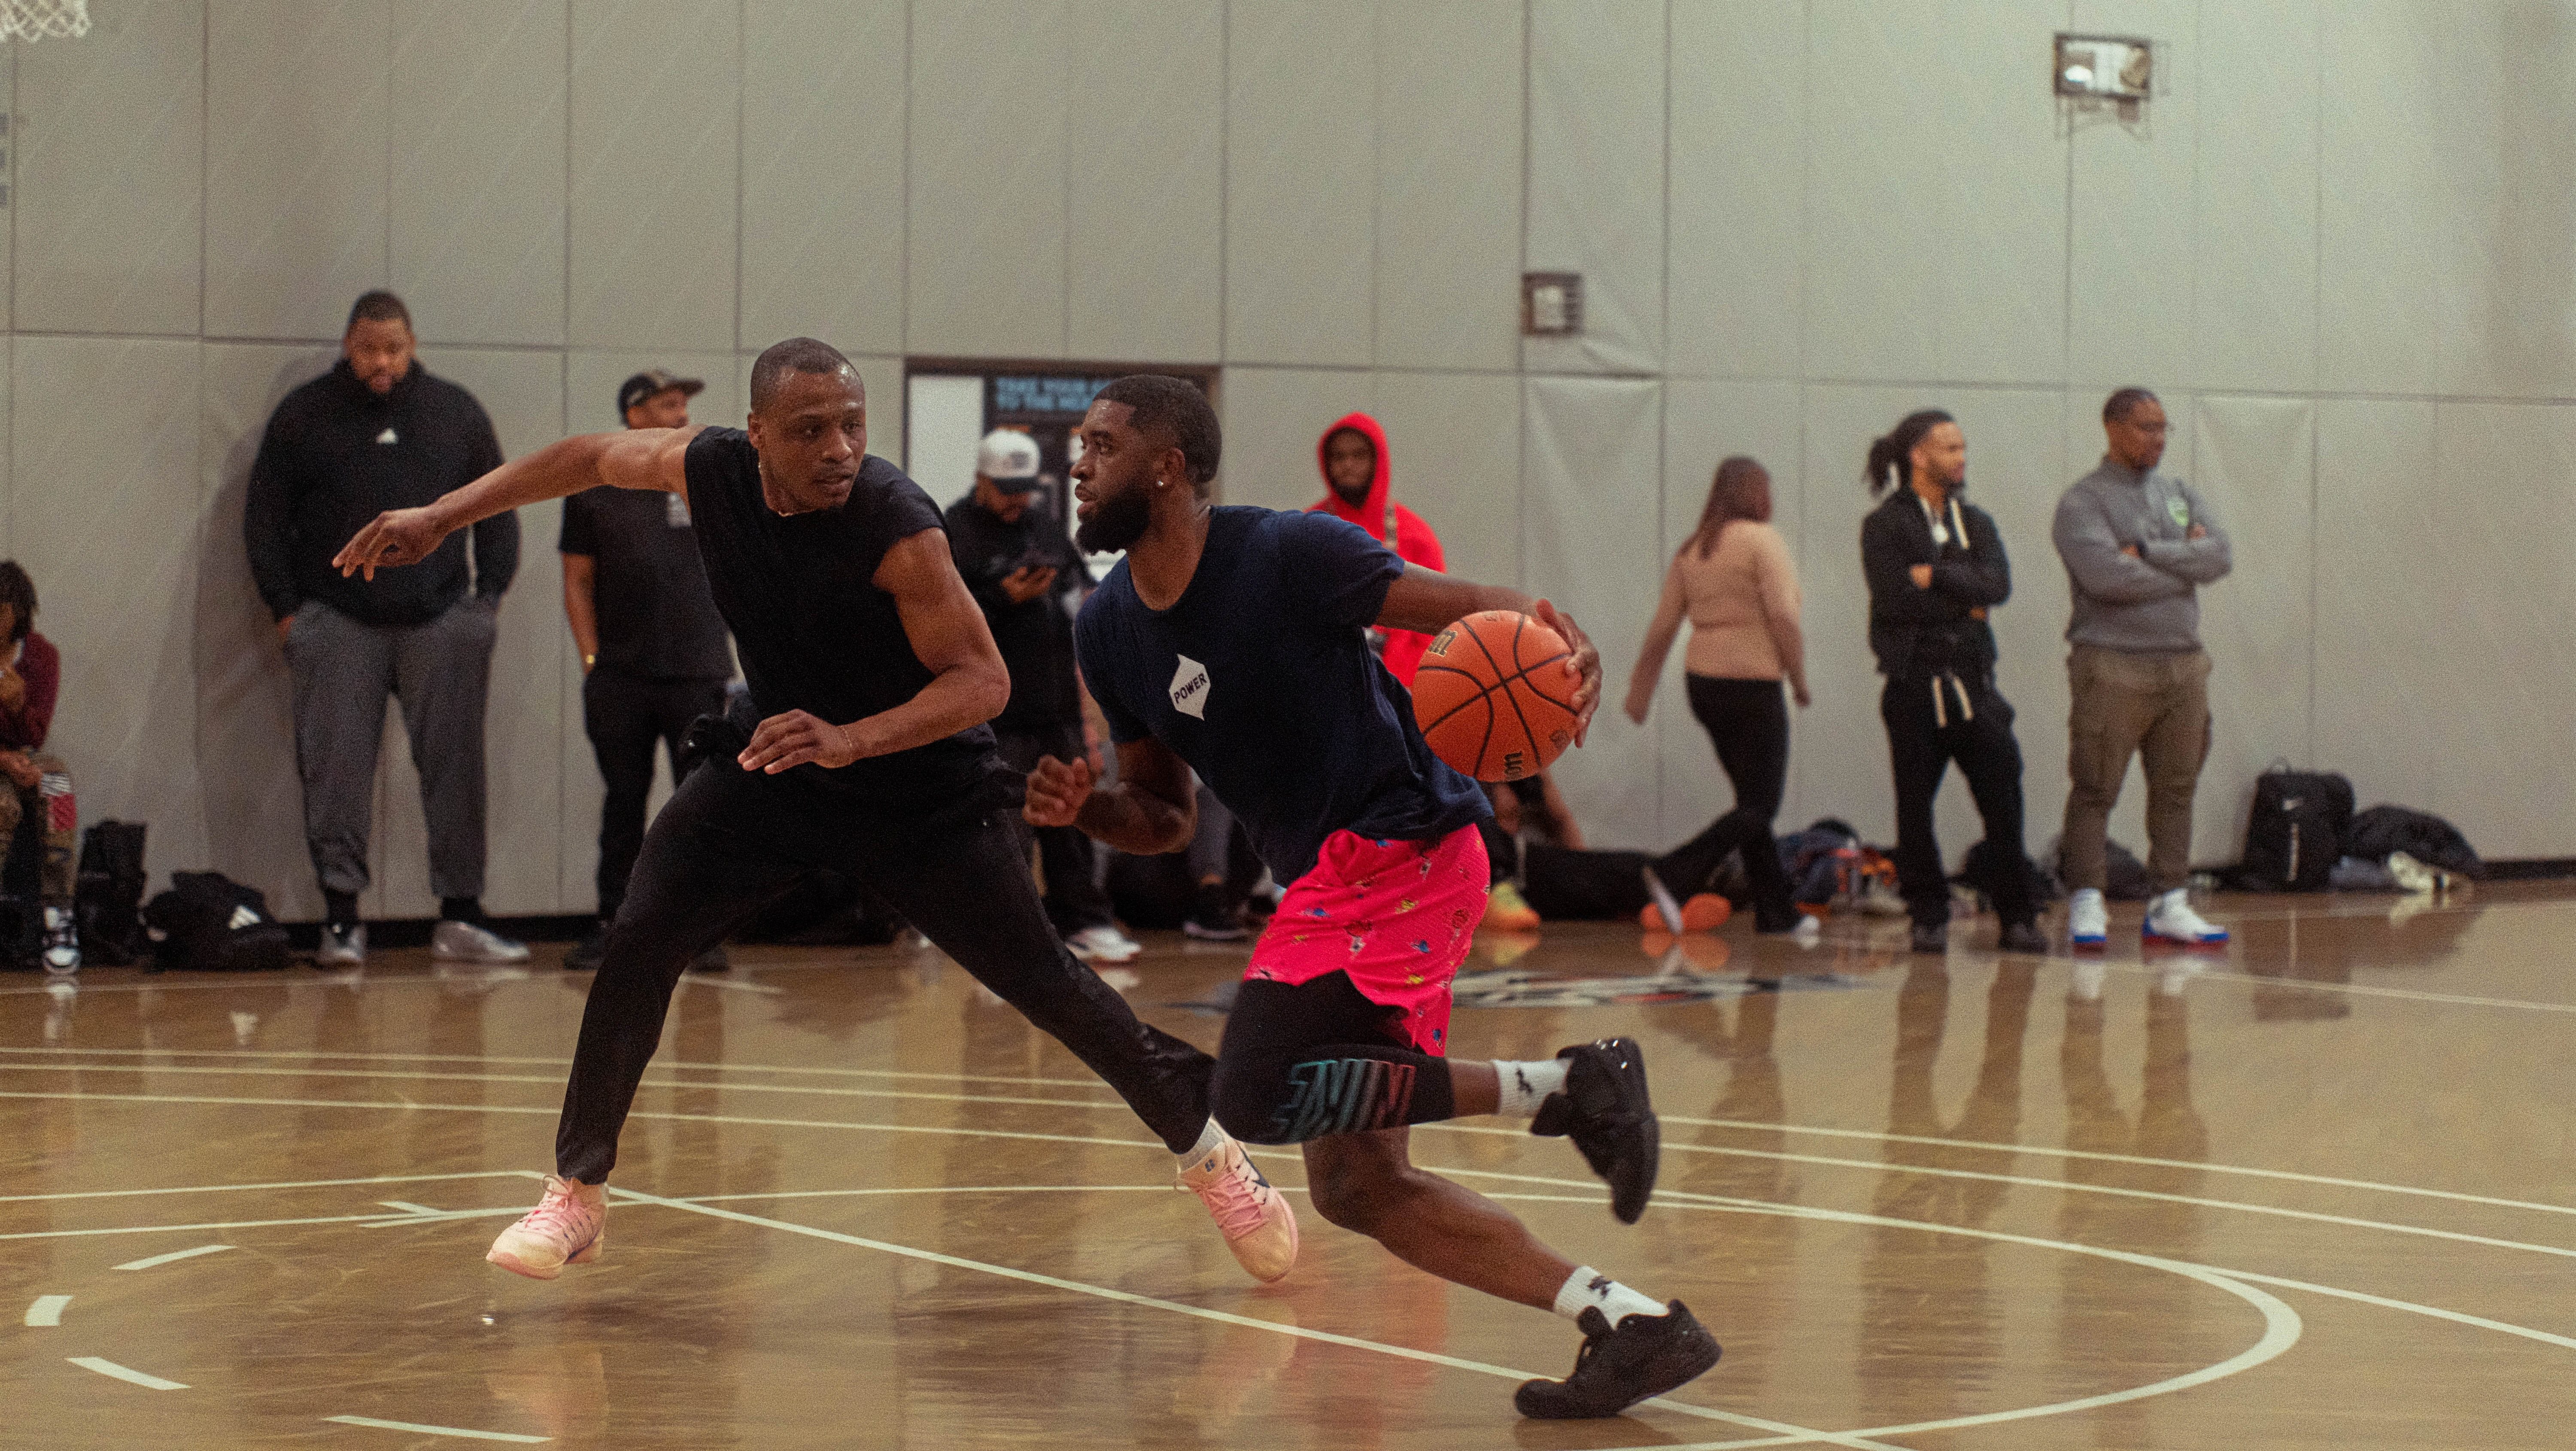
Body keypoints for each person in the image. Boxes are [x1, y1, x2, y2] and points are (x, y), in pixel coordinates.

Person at [332, 339, 1288, 1287]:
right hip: (780, 764)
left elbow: (983, 682)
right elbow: (586, 458)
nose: (838, 447)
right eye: (810, 430)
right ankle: (576, 1191)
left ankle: (1212, 1156)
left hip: (923, 793)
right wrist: (437, 516)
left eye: (851, 425)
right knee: (640, 936)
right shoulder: (708, 469)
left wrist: (854, 737)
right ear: (757, 437)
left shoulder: (895, 523)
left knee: (1048, 984)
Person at [1029, 375, 1721, 1420]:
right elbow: (1165, 817)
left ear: (1166, 465)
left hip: (1405, 842)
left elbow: (1490, 609)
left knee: (1250, 1092)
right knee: (1359, 1187)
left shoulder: (1284, 552)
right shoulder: (1109, 627)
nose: (1077, 464)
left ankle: (1568, 1084)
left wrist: (1560, 642)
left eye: (1101, 444)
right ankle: (1624, 1321)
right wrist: (1090, 814)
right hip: (1330, 873)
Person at [243, 290, 526, 967]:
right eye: (370, 349)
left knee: (457, 771)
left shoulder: (455, 412)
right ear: (349, 345)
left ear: (413, 345)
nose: (383, 362)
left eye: (395, 349)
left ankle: (460, 915)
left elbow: (500, 503)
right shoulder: (305, 414)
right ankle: (342, 920)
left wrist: (486, 604)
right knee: (336, 772)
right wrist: (288, 612)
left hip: (441, 620)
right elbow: (263, 517)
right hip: (337, 622)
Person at [560, 369, 735, 971]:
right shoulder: (592, 490)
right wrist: (591, 659)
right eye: (668, 403)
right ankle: (615, 923)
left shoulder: (704, 482)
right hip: (621, 677)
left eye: (686, 402)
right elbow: (577, 581)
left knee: (701, 803)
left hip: (697, 673)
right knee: (624, 802)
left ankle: (699, 930)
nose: (682, 412)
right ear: (633, 416)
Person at [944, 428, 1138, 964]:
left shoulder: (1047, 527)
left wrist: (1092, 720)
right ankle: (998, 926)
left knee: (1071, 817)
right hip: (991, 714)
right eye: (1005, 487)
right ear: (981, 479)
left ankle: (1083, 918)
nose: (1016, 499)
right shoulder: (952, 532)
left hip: (1055, 707)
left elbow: (1081, 606)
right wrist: (998, 598)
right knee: (1002, 824)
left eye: (1024, 488)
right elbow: (935, 621)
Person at [1859, 411, 2045, 956]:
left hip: (1974, 685)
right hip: (1915, 684)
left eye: (1963, 447)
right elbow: (1895, 598)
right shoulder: (1886, 525)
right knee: (1915, 806)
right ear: (1919, 455)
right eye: (1949, 448)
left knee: (2004, 798)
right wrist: (1965, 602)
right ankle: (1928, 915)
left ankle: (2017, 913)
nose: (1961, 458)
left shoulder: (1977, 522)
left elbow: (1998, 585)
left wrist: (1937, 575)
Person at [2052, 388, 2232, 948]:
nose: (2156, 438)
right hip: (2112, 664)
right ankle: (2087, 897)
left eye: (2163, 428)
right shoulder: (2084, 503)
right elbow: (2106, 577)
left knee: (2177, 786)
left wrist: (2150, 554)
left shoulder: (2179, 494)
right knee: (2095, 786)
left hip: (2183, 664)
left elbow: (2220, 556)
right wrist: (2186, 565)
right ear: (2112, 429)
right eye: (2145, 427)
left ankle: (2170, 901)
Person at [1623, 456, 1819, 939]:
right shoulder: (1761, 541)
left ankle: (1778, 912)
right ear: (1756, 493)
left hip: (1704, 684)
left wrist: (1640, 692)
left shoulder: (1695, 550)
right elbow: (1784, 616)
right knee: (1760, 805)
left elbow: (1664, 625)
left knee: (1749, 804)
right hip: (1753, 682)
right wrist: (1798, 678)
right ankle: (1674, 871)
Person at [1308, 413, 1446, 686]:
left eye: (1359, 455)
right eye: (1339, 456)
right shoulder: (1307, 530)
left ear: (1378, 460)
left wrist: (1400, 678)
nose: (1348, 464)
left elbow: (1437, 622)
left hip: (1404, 686)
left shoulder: (1416, 536)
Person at [0, 563, 77, 973]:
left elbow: (37, 735)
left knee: (58, 785)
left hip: (21, 756)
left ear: (14, 612)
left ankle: (59, 915)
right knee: (3, 807)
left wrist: (17, 705)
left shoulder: (42, 656)